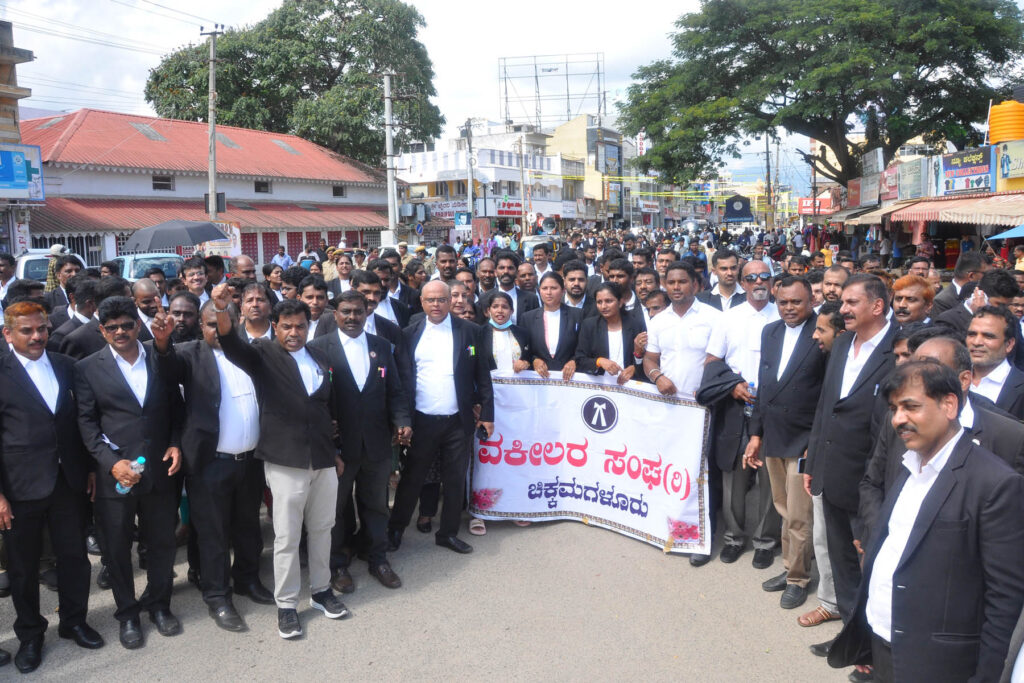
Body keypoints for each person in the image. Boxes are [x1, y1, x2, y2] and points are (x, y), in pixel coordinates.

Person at [829, 361, 1024, 683]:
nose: (898, 419)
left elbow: (1004, 599)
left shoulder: (995, 483)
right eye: (894, 409)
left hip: (940, 666)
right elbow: (892, 554)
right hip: (882, 646)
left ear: (949, 404)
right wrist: (866, 638)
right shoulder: (909, 465)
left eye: (911, 407)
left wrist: (987, 676)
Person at [212, 286, 350, 639]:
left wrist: (334, 453)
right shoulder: (262, 354)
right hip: (285, 459)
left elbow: (323, 408)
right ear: (275, 326)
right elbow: (232, 345)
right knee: (287, 537)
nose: (294, 333)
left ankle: (321, 591)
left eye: (300, 326)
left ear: (309, 326)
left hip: (322, 458)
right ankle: (287, 605)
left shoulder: (319, 357)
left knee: (322, 529)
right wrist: (222, 308)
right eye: (286, 326)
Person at [152, 300, 275, 634]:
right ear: (200, 327)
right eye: (210, 324)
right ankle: (218, 596)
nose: (218, 330)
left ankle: (248, 579)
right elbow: (166, 370)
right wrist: (162, 344)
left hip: (250, 462)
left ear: (236, 323)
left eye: (225, 323)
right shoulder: (189, 354)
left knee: (249, 526)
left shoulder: (251, 353)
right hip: (210, 465)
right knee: (214, 534)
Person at [75, 296, 184, 650]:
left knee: (162, 543)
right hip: (115, 475)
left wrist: (174, 442)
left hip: (160, 468)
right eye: (112, 327)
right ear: (102, 331)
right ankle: (128, 614)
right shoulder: (88, 368)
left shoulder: (160, 356)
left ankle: (159, 605)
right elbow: (87, 424)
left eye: (127, 324)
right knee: (117, 549)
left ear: (138, 325)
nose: (121, 331)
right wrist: (110, 463)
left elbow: (177, 407)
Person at [0, 301, 104, 672]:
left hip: (68, 481)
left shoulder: (65, 366)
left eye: (41, 328)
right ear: (7, 334)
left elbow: (83, 421)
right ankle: (30, 635)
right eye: (26, 330)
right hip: (18, 487)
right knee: (24, 568)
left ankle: (74, 621)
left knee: (75, 558)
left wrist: (90, 469)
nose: (36, 336)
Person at [804, 274, 896, 642]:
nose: (842, 310)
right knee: (841, 559)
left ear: (877, 306)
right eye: (841, 303)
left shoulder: (898, 349)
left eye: (850, 303)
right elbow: (826, 406)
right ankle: (849, 633)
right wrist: (813, 464)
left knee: (871, 562)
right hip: (832, 471)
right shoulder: (842, 344)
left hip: (872, 479)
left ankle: (873, 644)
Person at [308, 290, 411, 593]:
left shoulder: (382, 346)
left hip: (377, 443)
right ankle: (338, 563)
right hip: (339, 447)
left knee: (376, 504)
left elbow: (395, 391)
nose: (352, 317)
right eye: (346, 312)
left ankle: (377, 557)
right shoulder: (318, 348)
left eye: (358, 311)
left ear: (367, 312)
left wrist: (403, 421)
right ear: (335, 314)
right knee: (336, 509)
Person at [387, 281, 494, 555]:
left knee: (455, 478)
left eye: (441, 300)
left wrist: (487, 414)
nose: (436, 305)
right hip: (421, 420)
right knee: (413, 478)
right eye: (430, 300)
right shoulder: (409, 334)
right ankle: (395, 529)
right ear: (421, 302)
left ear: (451, 301)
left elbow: (482, 376)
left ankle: (448, 533)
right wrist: (402, 421)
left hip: (458, 421)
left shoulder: (471, 332)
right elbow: (400, 381)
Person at [743, 276, 826, 611]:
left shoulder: (822, 333)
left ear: (810, 302)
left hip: (804, 438)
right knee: (782, 508)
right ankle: (789, 567)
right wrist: (755, 434)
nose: (789, 309)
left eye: (797, 302)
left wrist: (815, 442)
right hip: (774, 434)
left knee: (799, 516)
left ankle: (798, 579)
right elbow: (765, 384)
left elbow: (826, 394)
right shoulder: (771, 332)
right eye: (784, 303)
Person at [702, 260, 780, 569]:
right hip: (738, 406)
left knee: (770, 479)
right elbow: (711, 361)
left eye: (764, 276)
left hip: (774, 409)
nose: (759, 282)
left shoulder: (783, 313)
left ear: (772, 282)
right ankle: (734, 537)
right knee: (734, 476)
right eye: (752, 278)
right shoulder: (728, 319)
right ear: (743, 283)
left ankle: (765, 540)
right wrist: (732, 385)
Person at [574, 282, 645, 384]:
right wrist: (599, 362)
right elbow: (580, 359)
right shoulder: (589, 325)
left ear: (620, 302)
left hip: (629, 386)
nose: (603, 306)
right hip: (599, 385)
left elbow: (647, 357)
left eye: (608, 301)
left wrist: (634, 367)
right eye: (599, 302)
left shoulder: (636, 324)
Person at [521, 272, 582, 381]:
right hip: (539, 379)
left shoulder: (577, 315)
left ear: (563, 291)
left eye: (553, 288)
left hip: (570, 378)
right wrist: (534, 360)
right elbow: (524, 350)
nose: (549, 293)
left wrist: (574, 361)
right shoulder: (528, 318)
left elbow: (584, 348)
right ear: (539, 291)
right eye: (544, 288)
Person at [967, 306, 1024, 419]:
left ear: (1009, 344)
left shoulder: (1020, 387)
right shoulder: (952, 378)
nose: (977, 342)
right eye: (972, 334)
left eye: (988, 336)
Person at [931, 251, 986, 318]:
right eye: (987, 274)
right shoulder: (942, 301)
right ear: (971, 275)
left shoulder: (985, 294)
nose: (990, 277)